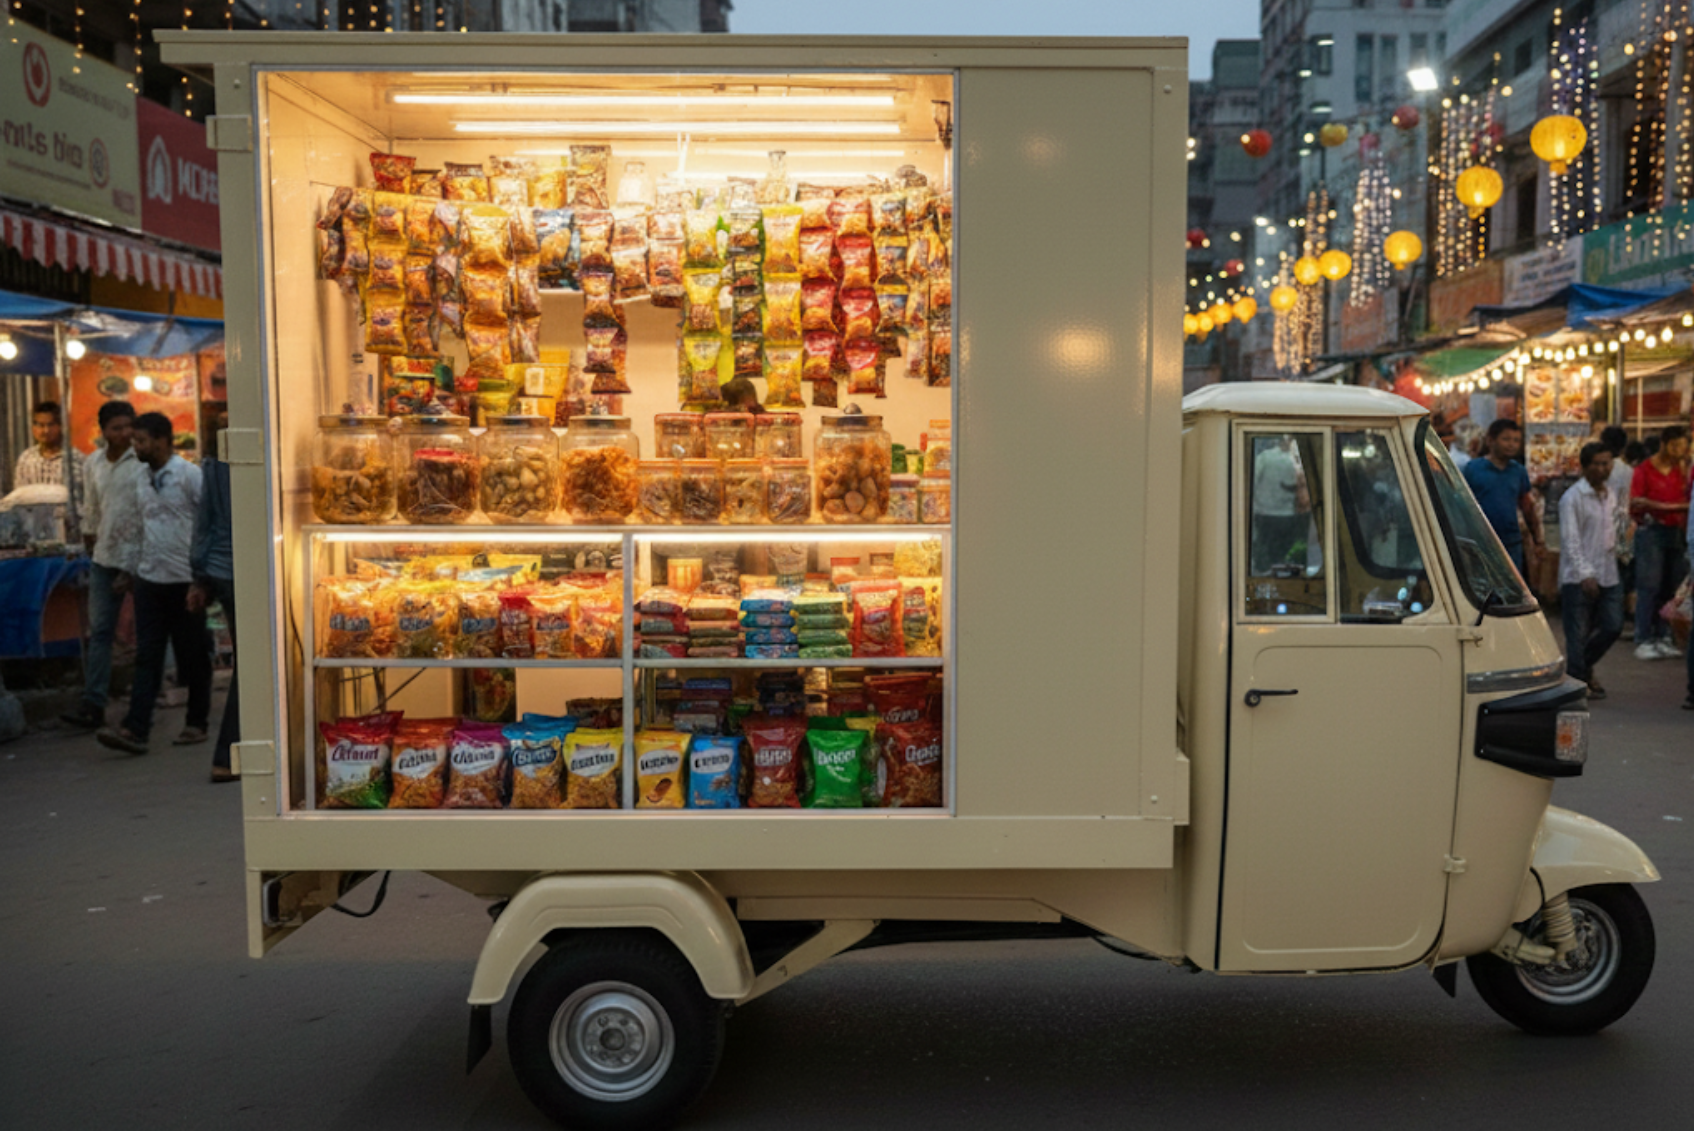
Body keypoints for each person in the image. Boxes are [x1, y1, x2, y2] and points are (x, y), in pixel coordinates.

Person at [96, 414, 210, 755]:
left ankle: (197, 723)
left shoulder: (190, 476)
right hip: (149, 580)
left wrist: (202, 579)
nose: (137, 448)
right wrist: (128, 571)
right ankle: (136, 729)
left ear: (162, 440)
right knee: (148, 656)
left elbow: (206, 526)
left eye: (142, 441)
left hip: (185, 582)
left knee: (192, 656)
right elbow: (138, 528)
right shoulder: (141, 479)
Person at [59, 402, 144, 729]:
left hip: (140, 558)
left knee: (150, 632)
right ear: (103, 431)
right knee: (100, 633)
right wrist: (92, 543)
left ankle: (149, 699)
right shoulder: (93, 463)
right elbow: (91, 509)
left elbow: (145, 514)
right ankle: (94, 703)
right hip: (104, 558)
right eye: (116, 428)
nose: (123, 434)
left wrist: (132, 568)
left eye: (128, 427)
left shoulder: (141, 462)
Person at [188, 414, 238, 783]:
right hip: (238, 570)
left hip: (219, 569)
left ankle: (230, 753)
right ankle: (227, 754)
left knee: (249, 663)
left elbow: (202, 522)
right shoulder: (240, 460)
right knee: (254, 665)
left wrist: (199, 576)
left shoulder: (212, 463)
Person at [1559, 443, 1624, 699]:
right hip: (1578, 577)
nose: (1602, 468)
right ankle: (1577, 683)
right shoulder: (1572, 498)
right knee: (1576, 634)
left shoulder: (1611, 494)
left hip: (1608, 572)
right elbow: (1570, 540)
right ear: (1584, 467)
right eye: (1596, 463)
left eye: (1606, 463)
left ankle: (1580, 671)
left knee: (1612, 626)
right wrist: (1585, 573)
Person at [1628, 424, 1690, 661]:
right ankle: (1643, 637)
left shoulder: (1684, 470)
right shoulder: (1644, 470)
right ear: (1663, 444)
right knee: (1649, 586)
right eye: (1674, 446)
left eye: (1682, 448)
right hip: (1652, 531)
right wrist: (1671, 507)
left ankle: (1664, 636)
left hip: (1677, 531)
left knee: (1671, 587)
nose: (1678, 452)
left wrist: (1659, 506)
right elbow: (1636, 503)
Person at [1463, 419, 1543, 577]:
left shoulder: (1518, 471)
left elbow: (1527, 507)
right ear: (1490, 441)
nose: (1511, 444)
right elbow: (1462, 505)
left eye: (1516, 440)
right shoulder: (1473, 469)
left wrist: (1538, 540)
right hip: (1480, 542)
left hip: (1511, 541)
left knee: (1512, 590)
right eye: (1506, 439)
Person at [12, 400, 77, 494]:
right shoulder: (26, 459)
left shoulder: (75, 459)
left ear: (61, 426)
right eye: (40, 425)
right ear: (33, 428)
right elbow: (19, 495)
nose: (45, 431)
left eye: (50, 425)